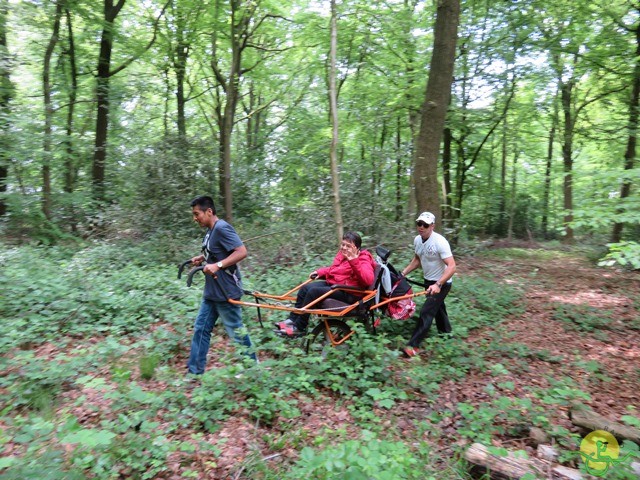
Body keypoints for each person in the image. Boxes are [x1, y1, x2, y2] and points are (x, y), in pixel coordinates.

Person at [186, 195, 256, 375]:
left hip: (226, 292)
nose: (195, 218)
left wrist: (217, 265)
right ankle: (195, 373)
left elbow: (241, 252)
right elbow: (217, 252)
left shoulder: (222, 228)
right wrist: (202, 258)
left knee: (237, 332)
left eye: (197, 214)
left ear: (209, 211)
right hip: (212, 292)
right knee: (201, 329)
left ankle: (253, 369)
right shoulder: (210, 230)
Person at [275, 231, 377, 337]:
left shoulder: (363, 259)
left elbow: (368, 280)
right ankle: (292, 319)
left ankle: (299, 327)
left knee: (313, 292)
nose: (344, 248)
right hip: (338, 286)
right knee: (305, 288)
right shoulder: (343, 255)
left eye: (348, 246)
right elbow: (335, 270)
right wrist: (320, 272)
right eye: (343, 244)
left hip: (351, 293)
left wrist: (354, 260)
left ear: (356, 248)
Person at [399, 212, 456, 357]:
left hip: (442, 282)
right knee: (438, 309)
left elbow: (452, 266)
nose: (421, 227)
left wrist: (438, 284)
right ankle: (446, 334)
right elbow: (417, 260)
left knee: (427, 311)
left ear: (432, 226)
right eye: (419, 224)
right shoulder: (417, 240)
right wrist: (403, 273)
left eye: (425, 225)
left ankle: (413, 346)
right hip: (428, 281)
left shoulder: (440, 241)